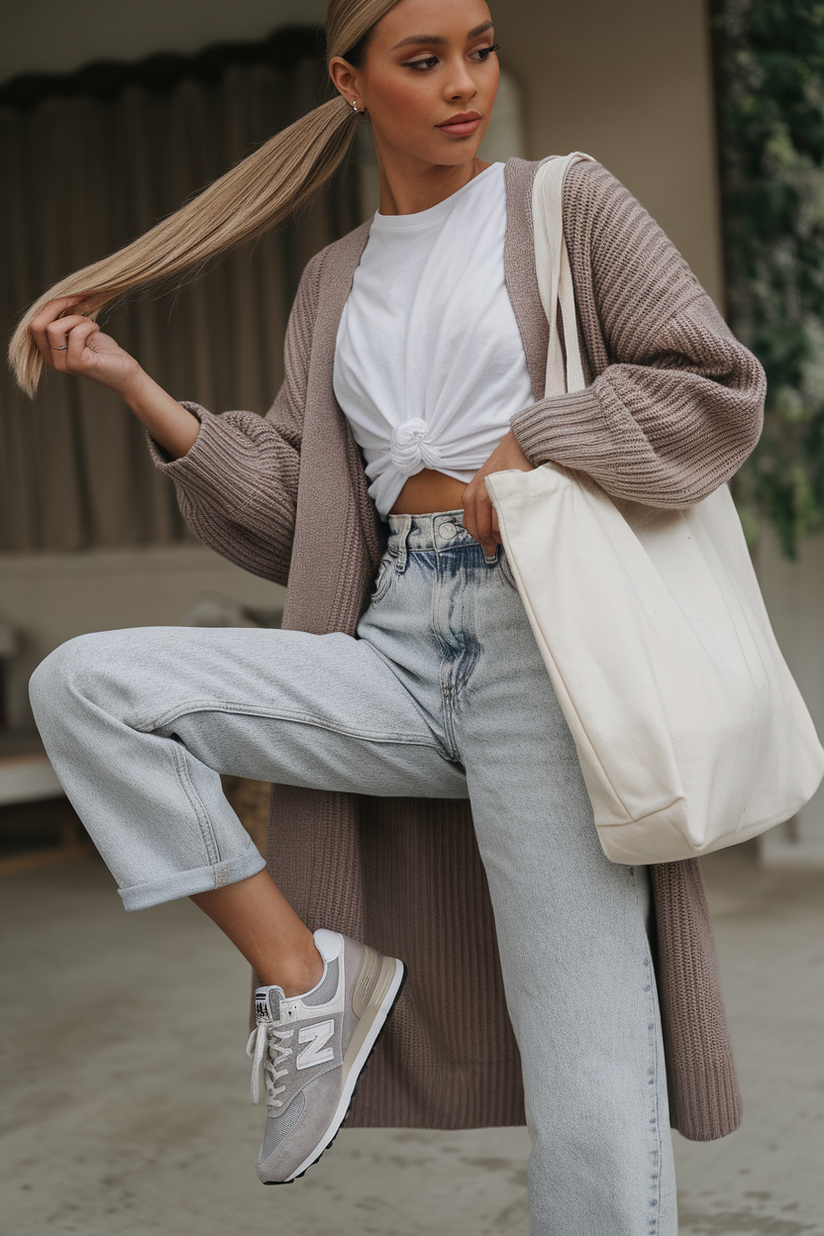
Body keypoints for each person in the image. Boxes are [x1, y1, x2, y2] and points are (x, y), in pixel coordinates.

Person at [10, 0, 766, 1231]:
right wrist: (140, 390)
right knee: (87, 688)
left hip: (542, 652)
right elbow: (288, 517)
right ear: (349, 82)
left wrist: (537, 436)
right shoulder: (333, 280)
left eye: (479, 48)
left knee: (583, 1067)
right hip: (392, 648)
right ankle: (309, 978)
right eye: (422, 60)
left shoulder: (563, 202)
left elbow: (712, 385)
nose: (462, 83)